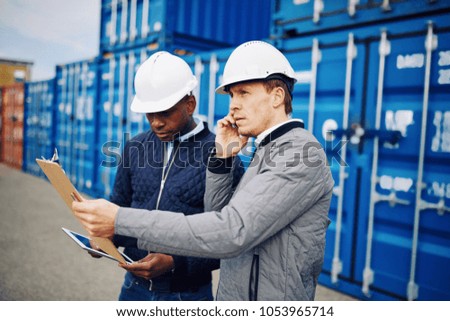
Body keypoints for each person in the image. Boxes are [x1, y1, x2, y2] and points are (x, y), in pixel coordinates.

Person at [73, 41, 334, 301]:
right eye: (231, 95)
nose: (233, 106)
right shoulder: (266, 150)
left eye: (243, 93)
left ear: (277, 96)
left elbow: (231, 231)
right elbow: (218, 216)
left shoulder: (299, 153)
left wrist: (121, 219)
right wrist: (221, 159)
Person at [105, 51, 244, 301]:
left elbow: (229, 235)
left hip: (187, 295)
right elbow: (119, 207)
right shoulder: (134, 148)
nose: (156, 123)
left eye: (164, 112)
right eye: (149, 114)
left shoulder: (221, 154)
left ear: (189, 104)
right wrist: (104, 238)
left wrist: (175, 262)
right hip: (133, 289)